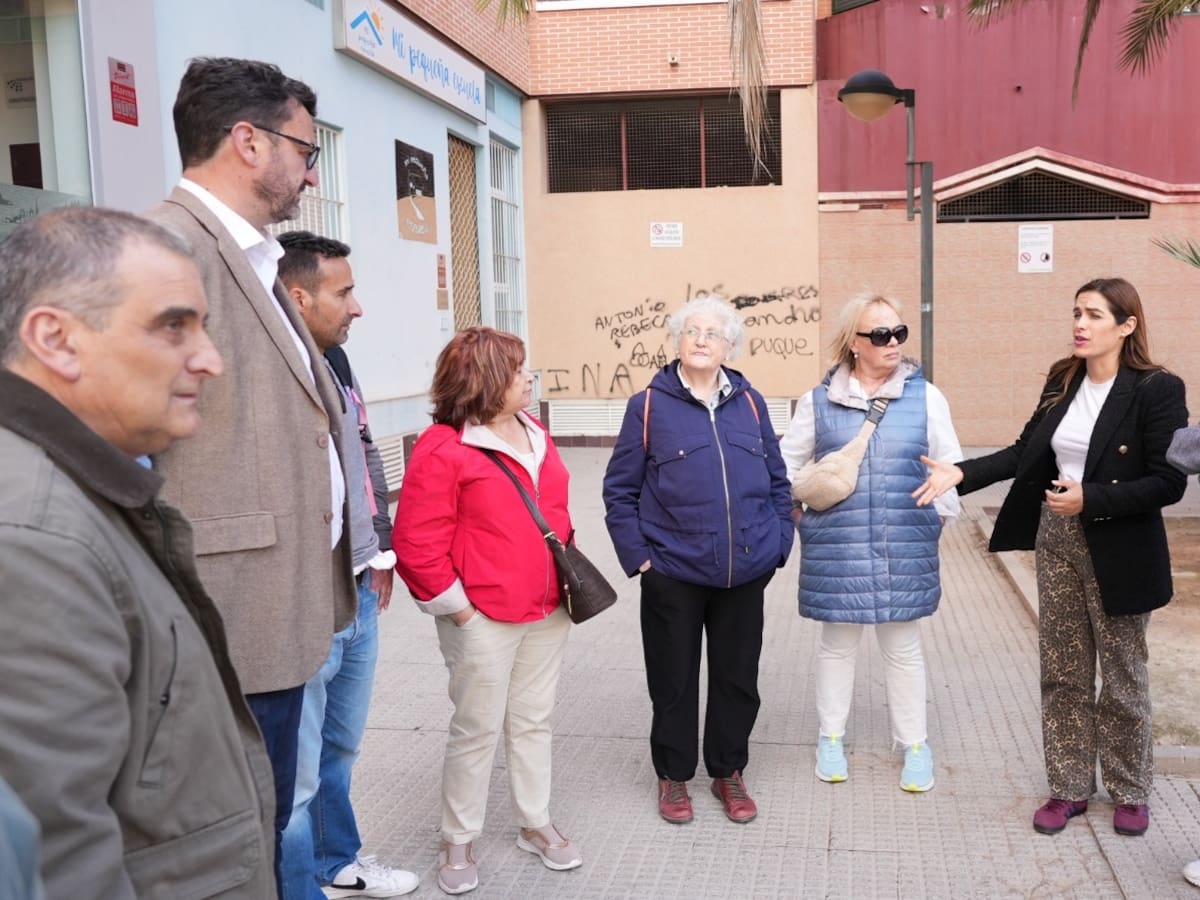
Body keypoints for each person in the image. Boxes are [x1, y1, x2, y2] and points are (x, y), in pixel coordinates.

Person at [0, 207, 275, 898]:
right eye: (173, 326)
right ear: (55, 340)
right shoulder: (31, 537)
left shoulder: (80, 490)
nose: (209, 359)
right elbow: (56, 860)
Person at [146, 58, 357, 888]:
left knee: (273, 819)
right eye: (306, 150)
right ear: (247, 141)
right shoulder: (168, 248)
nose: (311, 171)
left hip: (280, 605)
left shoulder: (258, 259)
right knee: (245, 834)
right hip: (229, 608)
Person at [915, 277, 1187, 837]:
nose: (1079, 325)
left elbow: (1168, 482)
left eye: (1093, 315)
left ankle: (1131, 789)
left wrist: (1094, 497)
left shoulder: (1157, 389)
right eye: (1076, 313)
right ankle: (1068, 788)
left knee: (1122, 674)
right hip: (1057, 538)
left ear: (1126, 325)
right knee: (1063, 671)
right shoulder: (1063, 379)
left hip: (1122, 546)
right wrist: (961, 474)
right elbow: (1025, 451)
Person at [393, 327, 581, 895]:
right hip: (482, 618)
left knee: (532, 720)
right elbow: (417, 542)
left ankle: (534, 822)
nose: (529, 377)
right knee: (475, 728)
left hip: (548, 609)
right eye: (519, 369)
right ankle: (458, 836)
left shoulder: (535, 432)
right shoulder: (443, 448)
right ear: (485, 380)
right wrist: (461, 614)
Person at [602, 295, 794, 826]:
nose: (703, 339)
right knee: (673, 681)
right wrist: (641, 559)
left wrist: (779, 543)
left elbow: (779, 482)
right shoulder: (648, 407)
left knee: (737, 679)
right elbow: (620, 492)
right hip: (672, 573)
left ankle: (728, 771)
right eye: (692, 331)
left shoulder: (751, 402)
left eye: (714, 332)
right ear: (677, 342)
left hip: (745, 570)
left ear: (730, 345)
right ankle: (674, 777)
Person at [275, 232, 417, 898]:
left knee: (339, 748)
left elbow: (363, 461)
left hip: (359, 586)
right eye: (345, 292)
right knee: (297, 770)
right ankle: (300, 883)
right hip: (307, 595)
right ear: (298, 297)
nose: (357, 307)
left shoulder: (338, 362)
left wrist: (379, 551)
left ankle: (339, 862)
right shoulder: (277, 372)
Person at [779, 292, 962, 793]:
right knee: (837, 647)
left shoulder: (928, 397)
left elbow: (949, 467)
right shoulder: (819, 402)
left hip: (905, 544)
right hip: (837, 548)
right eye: (880, 335)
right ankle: (830, 738)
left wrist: (935, 523)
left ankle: (915, 746)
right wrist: (802, 519)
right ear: (853, 343)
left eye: (898, 332)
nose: (893, 343)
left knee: (903, 648)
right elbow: (786, 467)